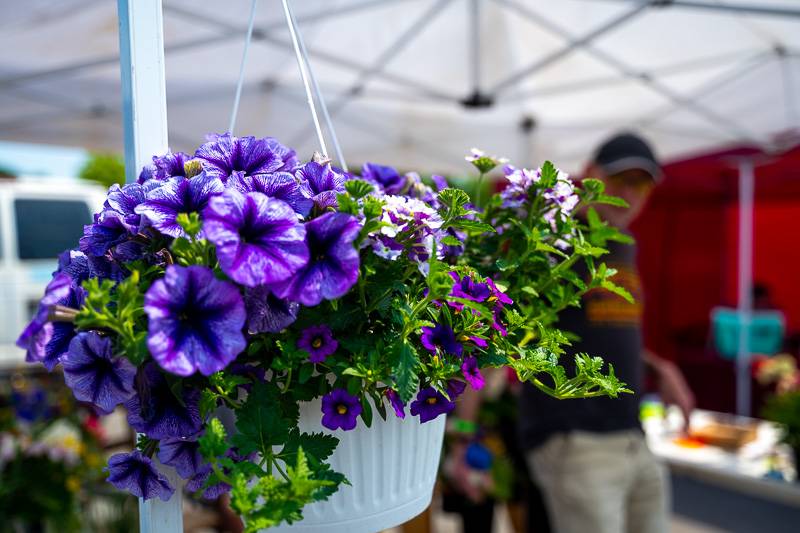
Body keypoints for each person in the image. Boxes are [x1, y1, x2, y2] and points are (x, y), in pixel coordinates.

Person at [517, 132, 695, 533]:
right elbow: (511, 329)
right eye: (620, 180)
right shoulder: (558, 239)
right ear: (589, 174)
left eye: (642, 184)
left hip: (631, 433)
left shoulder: (623, 242)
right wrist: (464, 431)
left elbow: (604, 324)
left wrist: (660, 367)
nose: (630, 194)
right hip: (575, 436)